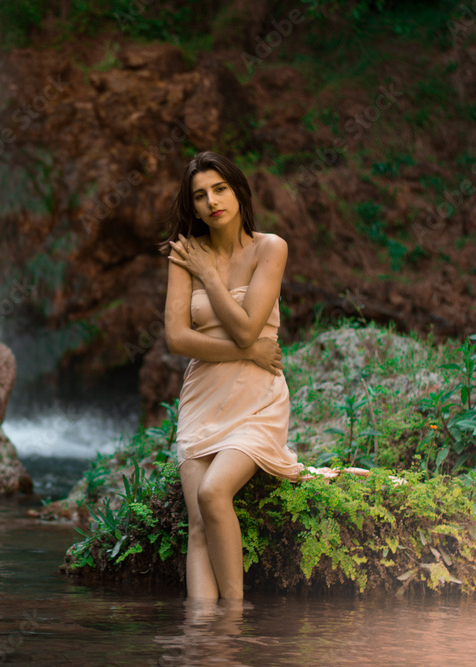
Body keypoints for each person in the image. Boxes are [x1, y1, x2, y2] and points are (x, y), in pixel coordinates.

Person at [161, 151, 304, 602]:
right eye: (200, 195)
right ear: (193, 205)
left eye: (219, 189)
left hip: (257, 400)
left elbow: (246, 326)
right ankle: (202, 638)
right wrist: (251, 348)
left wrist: (209, 275)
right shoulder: (184, 254)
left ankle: (233, 621)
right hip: (202, 398)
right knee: (198, 525)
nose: (211, 201)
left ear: (238, 191)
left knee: (213, 491)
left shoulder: (270, 247)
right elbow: (177, 339)